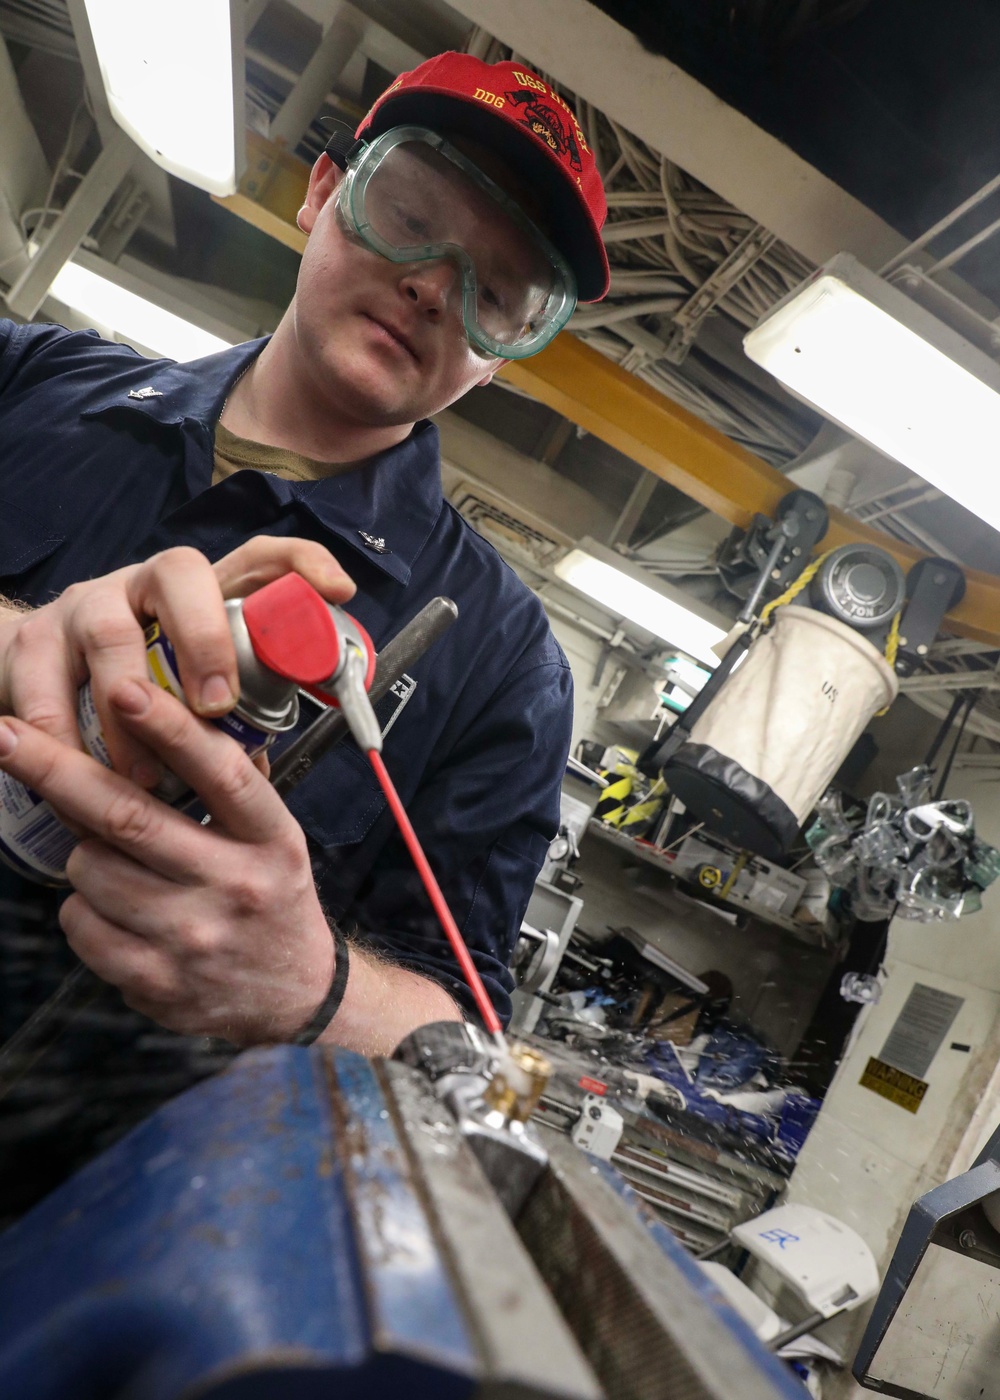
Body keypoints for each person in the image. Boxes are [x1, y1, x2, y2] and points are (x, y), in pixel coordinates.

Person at [0, 53, 610, 1058]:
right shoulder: (28, 381)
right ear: (322, 194)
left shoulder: (502, 665)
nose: (428, 285)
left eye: (494, 291)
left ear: (499, 355)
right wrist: (23, 634)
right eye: (409, 216)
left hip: (84, 1189)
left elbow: (469, 1033)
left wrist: (320, 987)